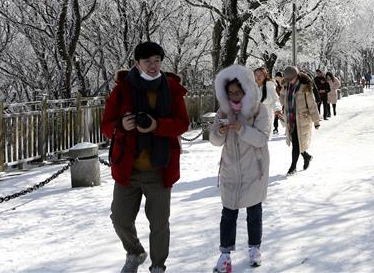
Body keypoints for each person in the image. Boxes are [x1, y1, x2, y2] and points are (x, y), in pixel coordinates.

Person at [101, 41, 190, 273]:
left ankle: (158, 266)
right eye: (147, 61)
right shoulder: (122, 89)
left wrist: (156, 126)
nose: (153, 65)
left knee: (159, 224)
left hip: (159, 169)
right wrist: (121, 125)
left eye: (157, 60)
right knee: (119, 219)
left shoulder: (171, 88)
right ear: (137, 63)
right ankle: (135, 252)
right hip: (128, 168)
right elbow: (105, 125)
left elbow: (182, 123)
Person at [209, 65, 271, 273]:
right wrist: (219, 131)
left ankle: (255, 248)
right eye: (230, 93)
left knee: (254, 211)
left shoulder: (259, 110)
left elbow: (262, 138)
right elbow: (215, 141)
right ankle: (225, 254)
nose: (234, 96)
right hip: (230, 170)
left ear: (247, 90)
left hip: (254, 169)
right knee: (228, 213)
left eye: (238, 92)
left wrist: (242, 129)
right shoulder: (223, 112)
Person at [281, 66, 321, 175]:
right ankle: (306, 156)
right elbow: (282, 97)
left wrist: (316, 121)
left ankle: (293, 167)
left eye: (291, 79)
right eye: (287, 79)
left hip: (302, 119)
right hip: (291, 118)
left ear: (297, 76)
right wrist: (283, 106)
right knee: (296, 142)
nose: (289, 81)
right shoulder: (285, 86)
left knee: (296, 143)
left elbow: (312, 105)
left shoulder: (305, 87)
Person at [254, 67, 282, 135]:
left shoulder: (269, 86)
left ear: (265, 76)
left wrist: (277, 109)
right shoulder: (251, 87)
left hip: (265, 117)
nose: (258, 77)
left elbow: (275, 100)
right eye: (256, 75)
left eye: (261, 75)